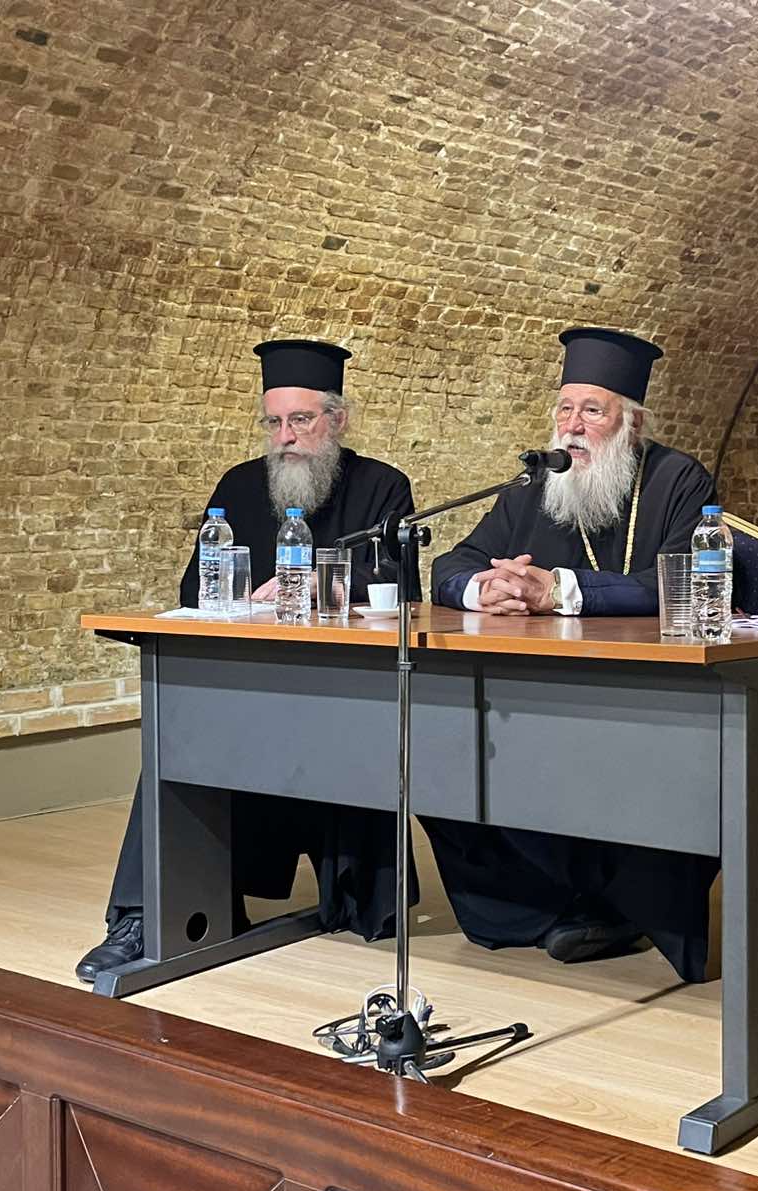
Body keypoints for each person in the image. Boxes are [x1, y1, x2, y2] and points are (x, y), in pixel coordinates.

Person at [75, 339, 416, 984]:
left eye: (301, 420)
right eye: (274, 422)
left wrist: (319, 589)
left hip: (342, 693)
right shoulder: (237, 485)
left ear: (337, 421)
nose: (285, 437)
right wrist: (242, 600)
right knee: (176, 743)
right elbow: (193, 591)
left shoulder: (383, 487)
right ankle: (146, 917)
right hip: (247, 686)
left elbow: (400, 591)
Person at [423, 327, 719, 981]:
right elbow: (453, 562)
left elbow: (679, 586)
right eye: (564, 409)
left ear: (631, 424)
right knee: (439, 741)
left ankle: (621, 907)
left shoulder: (677, 479)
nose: (573, 426)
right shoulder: (539, 483)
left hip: (643, 698)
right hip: (533, 691)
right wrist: (481, 587)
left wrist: (556, 590)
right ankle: (530, 909)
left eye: (592, 410)